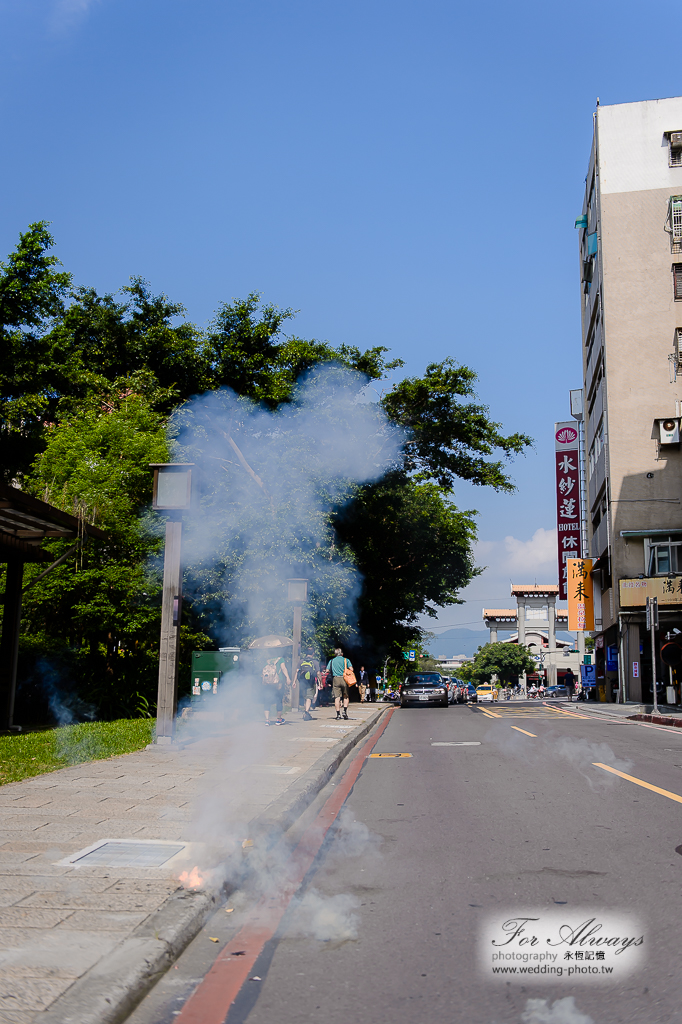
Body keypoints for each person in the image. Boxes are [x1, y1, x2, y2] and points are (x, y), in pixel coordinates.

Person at [326, 647, 352, 720]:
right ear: (342, 654)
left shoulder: (331, 661)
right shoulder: (346, 660)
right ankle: (344, 711)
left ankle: (338, 715)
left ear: (335, 654)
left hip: (335, 679)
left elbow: (327, 670)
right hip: (344, 679)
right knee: (345, 696)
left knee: (337, 697)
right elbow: (351, 669)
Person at [261, 658, 285, 726]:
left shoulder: (267, 660)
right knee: (279, 700)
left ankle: (267, 720)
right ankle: (278, 719)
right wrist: (288, 677)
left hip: (268, 684)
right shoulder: (280, 660)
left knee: (267, 700)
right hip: (277, 683)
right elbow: (283, 668)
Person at [298, 649, 319, 721]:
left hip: (302, 682)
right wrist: (321, 683)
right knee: (309, 698)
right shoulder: (315, 662)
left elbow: (297, 671)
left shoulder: (301, 661)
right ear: (313, 653)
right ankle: (306, 712)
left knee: (305, 697)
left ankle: (306, 713)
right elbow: (318, 673)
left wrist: (294, 681)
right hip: (311, 682)